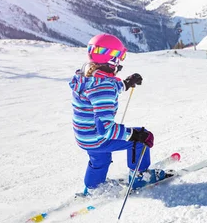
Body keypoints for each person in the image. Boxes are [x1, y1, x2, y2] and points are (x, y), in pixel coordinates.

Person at [69, 33, 166, 194]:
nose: (120, 63)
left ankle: (93, 188)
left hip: (84, 136)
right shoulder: (103, 87)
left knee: (100, 159)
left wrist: (126, 83)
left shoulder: (85, 76)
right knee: (142, 139)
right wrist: (135, 135)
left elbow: (106, 89)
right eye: (119, 58)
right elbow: (105, 129)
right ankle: (140, 178)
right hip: (97, 137)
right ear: (111, 59)